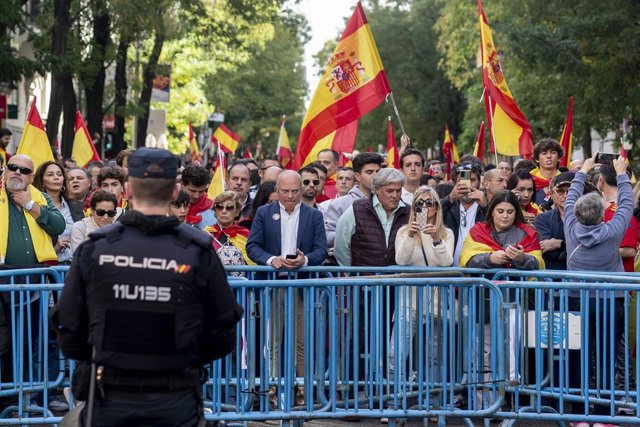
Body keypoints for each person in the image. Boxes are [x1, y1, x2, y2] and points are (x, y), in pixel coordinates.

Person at [51, 147, 242, 426]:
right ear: (175, 192)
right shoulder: (198, 250)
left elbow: (68, 327)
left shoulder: (95, 249)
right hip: (175, 395)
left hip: (112, 395)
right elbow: (223, 331)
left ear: (127, 190)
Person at [246, 170, 327, 404]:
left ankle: (301, 392)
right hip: (274, 285)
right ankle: (271, 391)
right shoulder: (264, 212)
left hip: (302, 286)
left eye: (294, 191)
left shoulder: (313, 215)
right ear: (277, 190)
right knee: (273, 342)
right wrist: (272, 260)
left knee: (301, 341)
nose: (290, 196)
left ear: (301, 191)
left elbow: (321, 250)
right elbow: (253, 247)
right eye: (285, 191)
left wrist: (305, 261)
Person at [564, 154, 632, 419]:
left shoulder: (570, 228)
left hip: (576, 301)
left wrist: (582, 171)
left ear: (577, 214)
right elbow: (627, 203)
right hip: (609, 302)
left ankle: (579, 412)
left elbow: (570, 199)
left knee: (580, 355)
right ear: (603, 213)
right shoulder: (613, 231)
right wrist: (622, 173)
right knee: (606, 355)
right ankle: (604, 411)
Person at [390, 186, 454, 379]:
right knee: (397, 352)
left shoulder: (446, 233)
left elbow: (447, 263)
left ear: (437, 207)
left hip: (436, 302)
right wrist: (411, 235)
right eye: (419, 203)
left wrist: (436, 239)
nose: (425, 207)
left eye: (430, 203)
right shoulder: (403, 231)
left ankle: (432, 401)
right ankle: (394, 400)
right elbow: (401, 260)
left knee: (434, 355)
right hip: (408, 301)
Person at [334, 168, 409, 267]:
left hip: (399, 280)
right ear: (377, 189)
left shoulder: (409, 212)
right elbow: (341, 247)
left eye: (398, 190)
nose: (395, 195)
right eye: (389, 191)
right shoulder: (357, 209)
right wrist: (352, 273)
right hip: (363, 280)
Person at [0, 154, 66, 266]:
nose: (17, 172)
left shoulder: (42, 197)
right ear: (5, 171)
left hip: (37, 275)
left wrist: (29, 204)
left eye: (24, 170)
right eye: (12, 167)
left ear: (31, 177)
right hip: (3, 275)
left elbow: (58, 226)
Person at [460, 190, 544, 270]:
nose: (505, 216)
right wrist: (490, 259)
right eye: (500, 211)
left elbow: (538, 263)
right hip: (485, 284)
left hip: (518, 284)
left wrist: (522, 258)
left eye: (510, 212)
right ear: (492, 211)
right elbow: (467, 259)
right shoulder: (478, 231)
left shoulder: (528, 233)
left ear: (516, 213)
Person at [324, 152, 383, 247]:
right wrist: (352, 234)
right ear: (357, 176)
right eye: (369, 172)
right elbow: (326, 237)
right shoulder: (339, 204)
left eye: (378, 172)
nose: (375, 176)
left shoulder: (386, 201)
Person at [32, 161, 84, 264]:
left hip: (75, 266)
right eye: (50, 175)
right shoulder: (35, 207)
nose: (56, 177)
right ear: (42, 181)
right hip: (50, 270)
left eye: (59, 174)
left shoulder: (76, 206)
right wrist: (54, 248)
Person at [441, 162, 487, 266]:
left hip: (478, 271)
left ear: (479, 183)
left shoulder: (486, 206)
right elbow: (433, 214)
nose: (468, 186)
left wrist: (486, 206)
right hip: (451, 272)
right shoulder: (448, 206)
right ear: (454, 184)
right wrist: (450, 199)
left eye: (473, 180)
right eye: (462, 181)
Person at [534, 172, 574, 270]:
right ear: (552, 194)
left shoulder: (587, 218)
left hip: (579, 275)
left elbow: (587, 247)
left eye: (570, 191)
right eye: (560, 191)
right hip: (553, 277)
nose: (566, 195)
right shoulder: (543, 219)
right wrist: (568, 246)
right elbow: (549, 252)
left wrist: (560, 244)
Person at [205, 191, 254, 266]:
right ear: (215, 210)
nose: (224, 211)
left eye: (229, 208)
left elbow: (252, 265)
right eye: (219, 207)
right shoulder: (205, 234)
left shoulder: (246, 235)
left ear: (237, 212)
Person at [182, 163, 216, 229]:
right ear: (182, 185)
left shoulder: (214, 210)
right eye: (192, 191)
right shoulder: (168, 206)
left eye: (201, 191)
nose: (196, 196)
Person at [530, 138, 563, 205]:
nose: (549, 156)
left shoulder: (566, 180)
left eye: (553, 153)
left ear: (559, 157)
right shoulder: (529, 181)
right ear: (537, 159)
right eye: (544, 153)